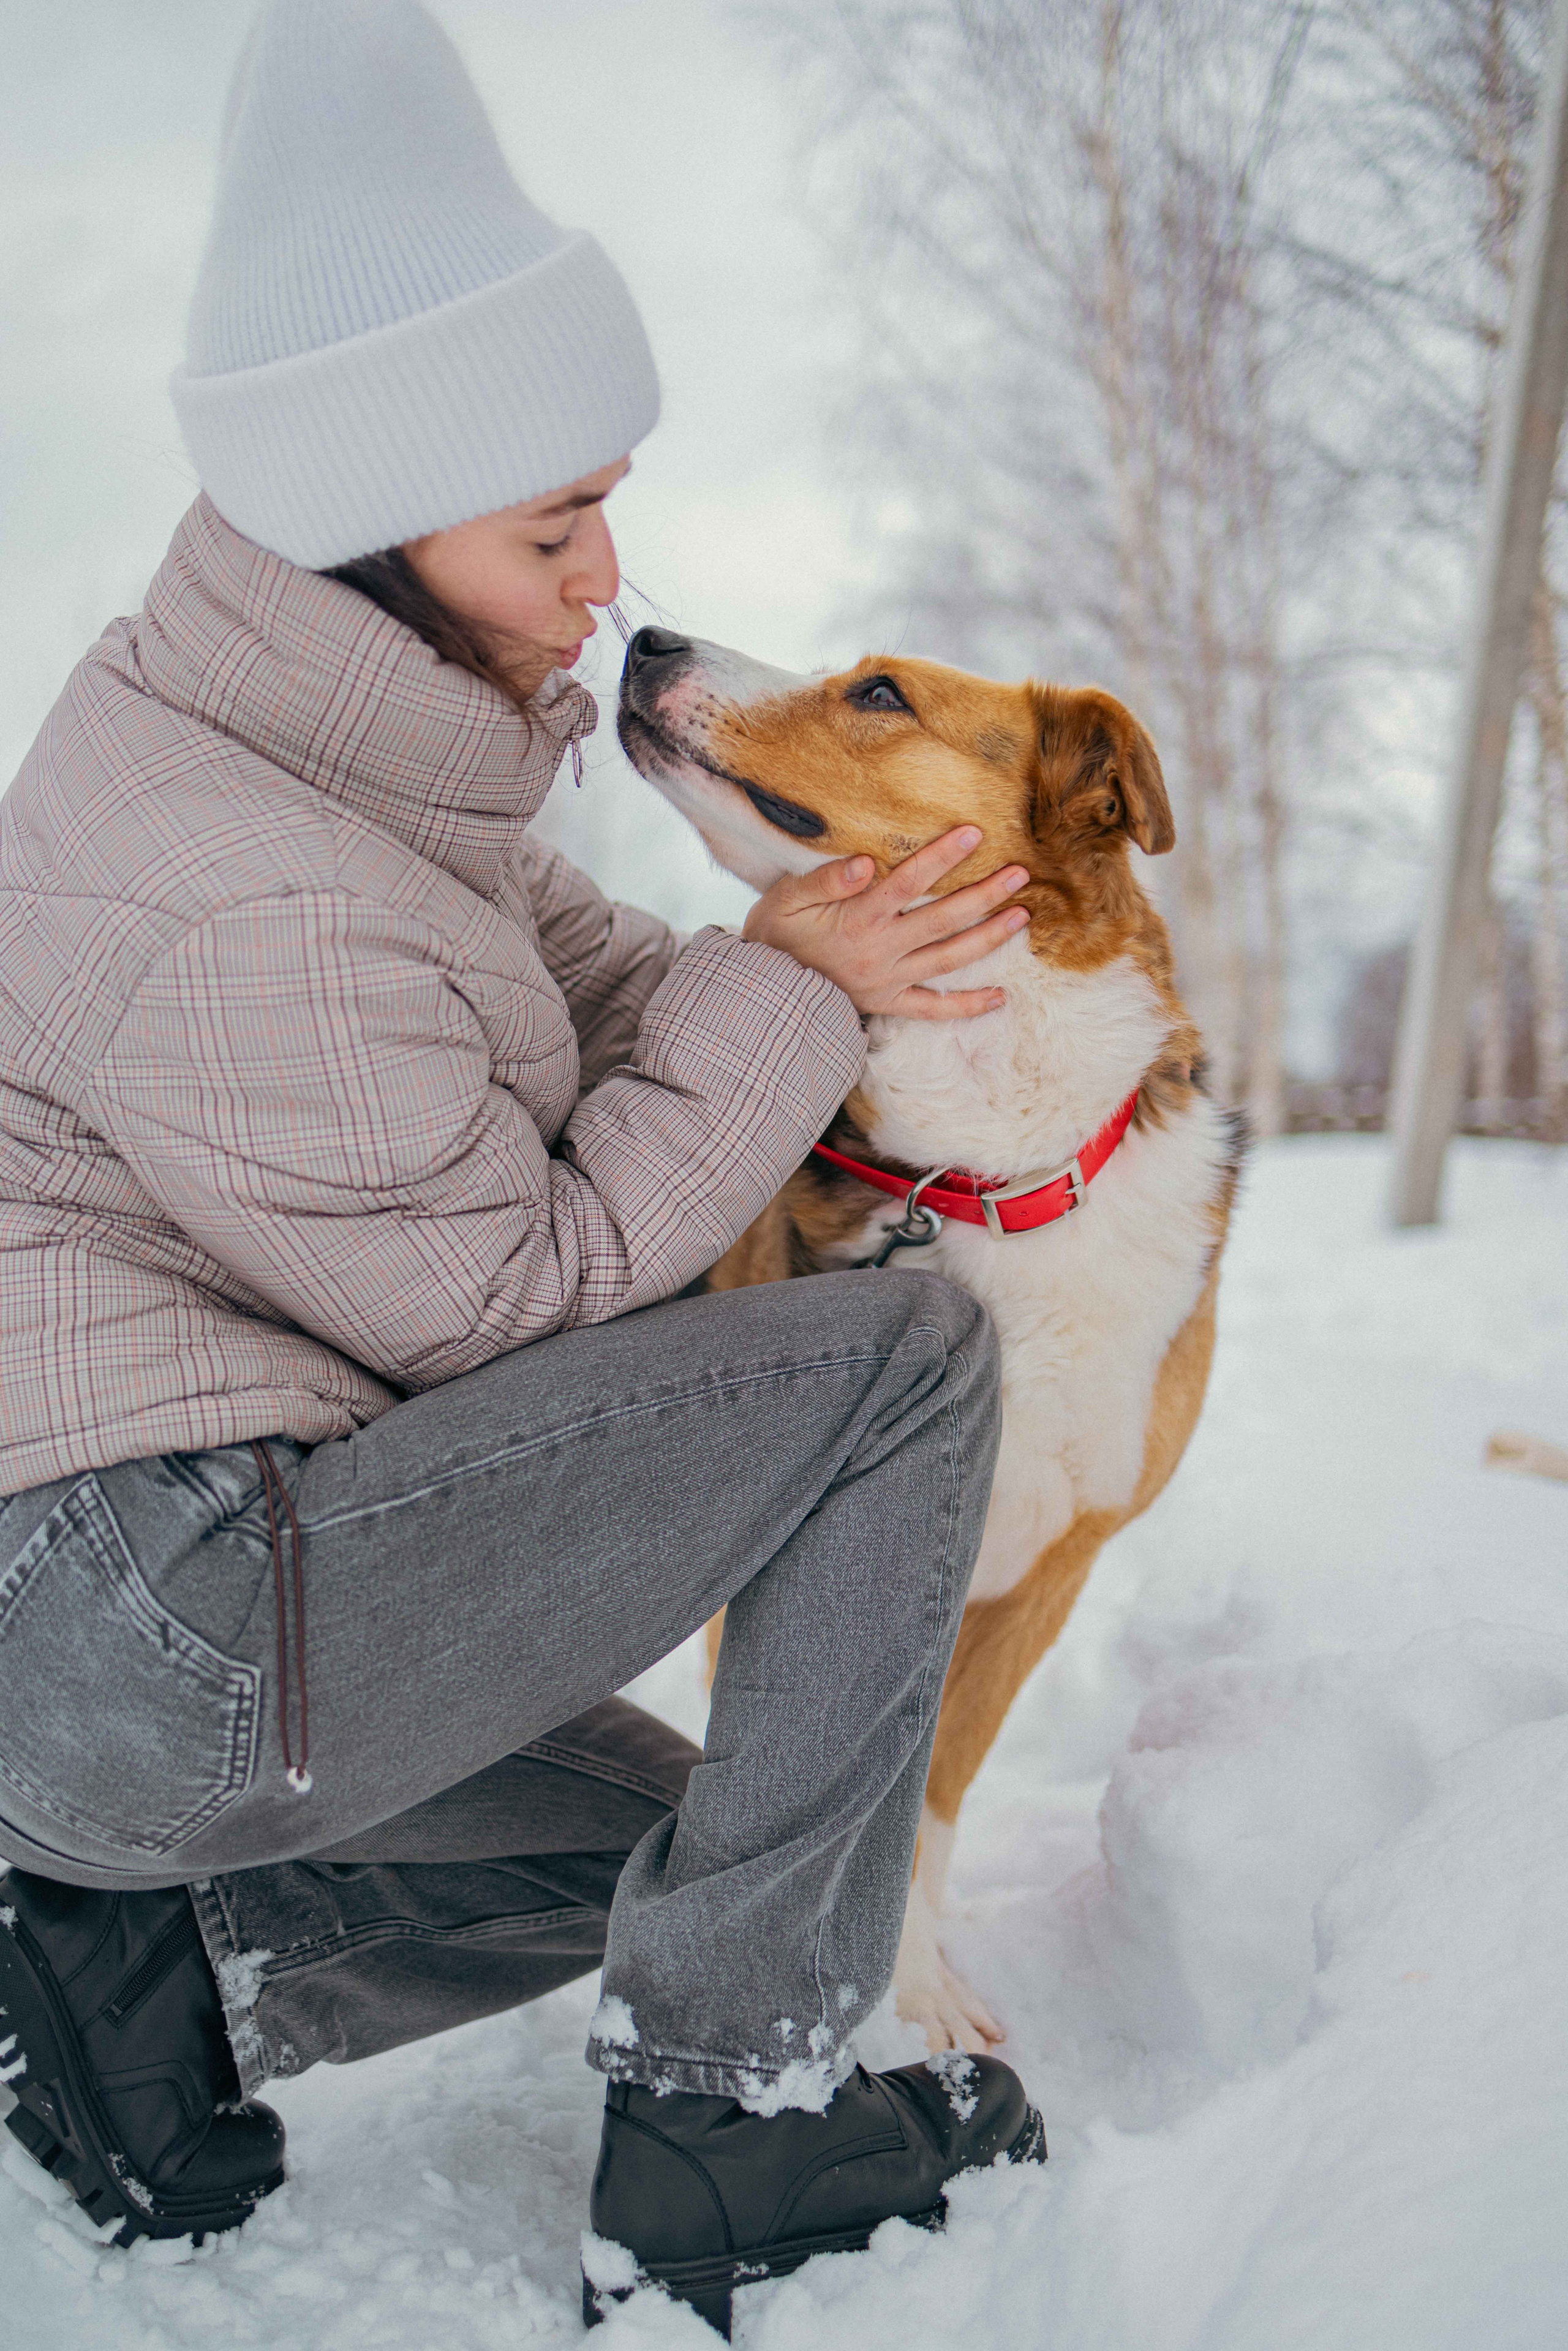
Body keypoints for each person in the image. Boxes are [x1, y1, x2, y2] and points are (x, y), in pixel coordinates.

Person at [0, 1, 1042, 2328]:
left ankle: (124, 1961)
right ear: (375, 528)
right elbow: (499, 1301)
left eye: (605, 503)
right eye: (553, 525)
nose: (606, 579)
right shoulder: (244, 885)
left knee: (693, 1843)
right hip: (157, 1593)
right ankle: (728, 2129)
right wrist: (804, 991)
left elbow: (622, 984)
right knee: (903, 1363)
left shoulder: (343, 746)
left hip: (130, 1632)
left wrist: (798, 950)